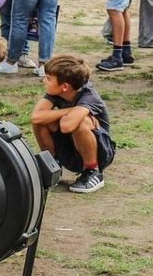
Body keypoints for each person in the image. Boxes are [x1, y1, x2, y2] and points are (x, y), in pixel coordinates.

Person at [31, 54, 115, 194]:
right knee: (42, 121)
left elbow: (67, 126)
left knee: (81, 123)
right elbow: (36, 117)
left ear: (65, 86)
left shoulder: (89, 97)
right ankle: (52, 164)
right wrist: (70, 110)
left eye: (48, 78)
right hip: (70, 148)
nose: (44, 80)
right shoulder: (56, 92)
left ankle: (92, 171)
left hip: (100, 152)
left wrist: (65, 114)